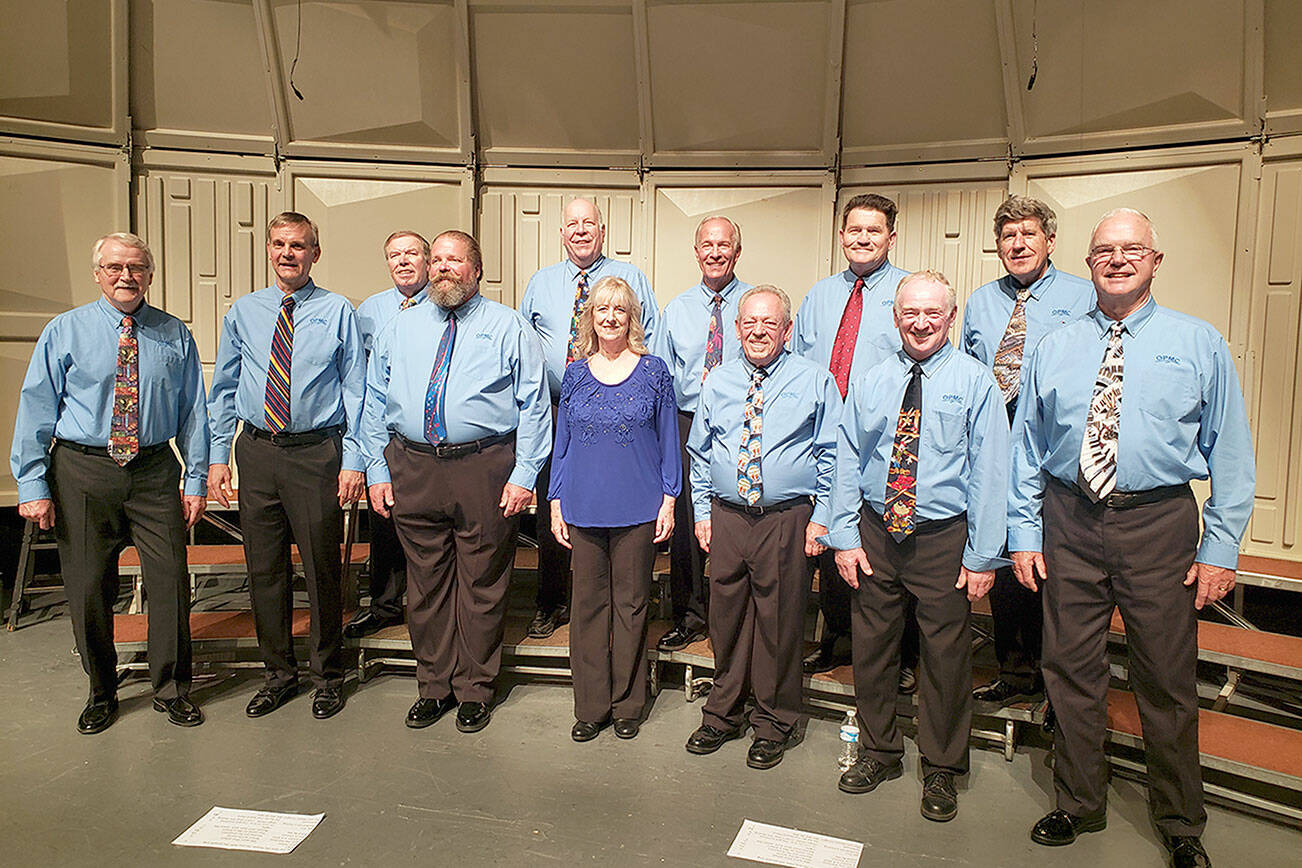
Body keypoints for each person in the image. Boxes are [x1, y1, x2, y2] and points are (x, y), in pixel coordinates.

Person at [1010, 209, 1254, 868]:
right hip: (1070, 520)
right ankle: (1079, 800)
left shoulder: (1198, 342)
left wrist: (1221, 546)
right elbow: (1026, 449)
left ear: (1155, 260)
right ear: (1088, 263)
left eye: (1132, 249)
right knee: (1070, 670)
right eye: (1105, 251)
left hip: (1159, 525)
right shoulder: (1052, 346)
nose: (1118, 260)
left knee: (1167, 679)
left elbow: (1230, 452)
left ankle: (1179, 820)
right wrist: (1023, 532)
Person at [828, 270, 1007, 822]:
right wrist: (843, 535)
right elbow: (847, 459)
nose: (921, 322)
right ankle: (879, 751)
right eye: (911, 313)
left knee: (946, 657)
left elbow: (990, 473)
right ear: (897, 317)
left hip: (942, 538)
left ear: (950, 317)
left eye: (933, 313)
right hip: (877, 532)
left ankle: (943, 767)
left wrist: (981, 555)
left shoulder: (976, 382)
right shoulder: (873, 379)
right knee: (874, 650)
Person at [11, 232, 208, 733]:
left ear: (150, 275)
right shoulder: (65, 330)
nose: (127, 276)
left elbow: (193, 413)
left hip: (153, 470)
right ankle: (102, 690)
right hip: (81, 469)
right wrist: (32, 484)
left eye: (137, 267)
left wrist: (196, 478)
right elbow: (36, 408)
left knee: (169, 583)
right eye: (116, 267)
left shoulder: (174, 333)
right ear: (98, 273)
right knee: (87, 587)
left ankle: (170, 688)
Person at [362, 230, 550, 734]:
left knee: (482, 582)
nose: (444, 268)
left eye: (455, 260)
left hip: (483, 466)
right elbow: (373, 401)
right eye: (438, 260)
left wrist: (525, 473)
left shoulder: (508, 326)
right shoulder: (398, 328)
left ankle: (474, 689)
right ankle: (434, 686)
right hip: (413, 465)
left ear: (477, 269)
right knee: (425, 585)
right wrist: (377, 470)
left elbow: (535, 406)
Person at [208, 212, 367, 721]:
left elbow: (358, 390)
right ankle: (278, 674)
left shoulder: (338, 310)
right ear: (269, 250)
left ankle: (327, 676)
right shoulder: (245, 312)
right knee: (264, 569)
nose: (287, 253)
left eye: (298, 245)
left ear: (315, 253)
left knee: (322, 569)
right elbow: (224, 390)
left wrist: (356, 458)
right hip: (256, 451)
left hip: (316, 454)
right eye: (279, 244)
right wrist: (217, 456)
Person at [684, 285, 839, 770]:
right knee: (725, 617)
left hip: (785, 518)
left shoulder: (816, 380)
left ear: (787, 330)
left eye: (769, 323)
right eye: (749, 322)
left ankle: (775, 720)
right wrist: (704, 513)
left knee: (779, 621)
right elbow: (700, 452)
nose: (757, 331)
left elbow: (833, 453)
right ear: (737, 328)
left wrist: (823, 517)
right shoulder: (719, 381)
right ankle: (723, 712)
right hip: (729, 515)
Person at [960, 196, 1094, 709]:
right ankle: (1015, 673)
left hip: (1054, 448)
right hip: (994, 445)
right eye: (1008, 237)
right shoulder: (980, 301)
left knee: (1056, 565)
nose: (1018, 245)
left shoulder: (1084, 297)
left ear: (1050, 242)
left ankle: (1058, 684)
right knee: (1003, 551)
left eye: (1028, 235)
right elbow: (971, 375)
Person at [793, 193, 919, 692]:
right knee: (829, 543)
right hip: (825, 438)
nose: (863, 238)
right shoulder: (821, 296)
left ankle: (902, 654)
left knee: (890, 554)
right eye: (854, 230)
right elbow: (799, 367)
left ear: (891, 236)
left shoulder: (908, 293)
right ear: (841, 236)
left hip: (885, 446)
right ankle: (836, 642)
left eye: (874, 231)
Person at [521, 198, 659, 640]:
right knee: (554, 509)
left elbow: (648, 338)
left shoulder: (631, 278)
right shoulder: (540, 283)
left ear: (603, 229)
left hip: (619, 407)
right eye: (572, 224)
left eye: (589, 223)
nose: (580, 231)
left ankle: (621, 603)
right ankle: (552, 600)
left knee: (616, 510)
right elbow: (525, 346)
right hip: (558, 408)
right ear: (562, 232)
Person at [547, 276, 678, 742]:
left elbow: (669, 440)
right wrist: (556, 500)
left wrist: (669, 498)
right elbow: (561, 443)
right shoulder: (576, 373)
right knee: (586, 608)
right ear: (590, 317)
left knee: (631, 605)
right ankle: (591, 705)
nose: (609, 317)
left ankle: (627, 702)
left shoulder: (655, 371)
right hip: (583, 506)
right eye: (601, 309)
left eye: (618, 309)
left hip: (639, 507)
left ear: (631, 318)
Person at [651, 215, 752, 652]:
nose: (715, 252)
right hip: (687, 421)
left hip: (744, 420)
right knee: (689, 521)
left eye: (724, 245)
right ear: (696, 253)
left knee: (735, 519)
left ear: (737, 252)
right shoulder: (676, 309)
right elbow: (660, 376)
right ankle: (690, 614)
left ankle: (736, 615)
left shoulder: (755, 303)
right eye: (707, 245)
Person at [344, 230, 430, 640]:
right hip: (385, 434)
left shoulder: (444, 307)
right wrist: (360, 451)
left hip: (429, 438)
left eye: (411, 253)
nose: (403, 261)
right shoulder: (370, 312)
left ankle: (428, 609)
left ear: (428, 260)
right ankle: (383, 605)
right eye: (394, 254)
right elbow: (359, 383)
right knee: (385, 522)